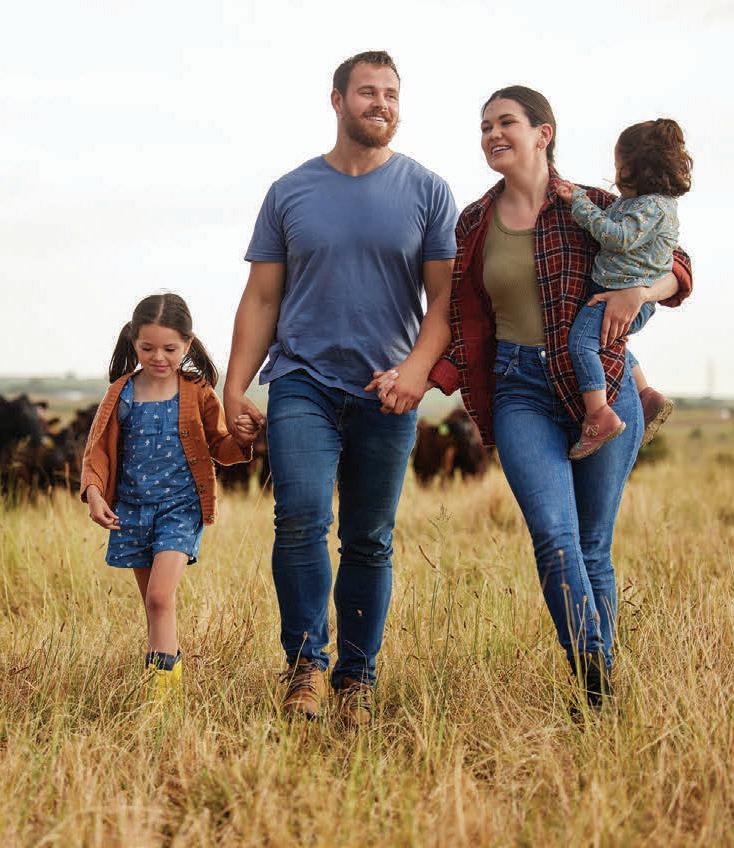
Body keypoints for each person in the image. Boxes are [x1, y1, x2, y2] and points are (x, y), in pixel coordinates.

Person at [379, 86, 692, 708]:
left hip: (601, 387)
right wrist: (419, 375)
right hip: (519, 389)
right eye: (485, 126)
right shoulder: (473, 223)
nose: (493, 134)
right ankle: (594, 672)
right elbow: (459, 319)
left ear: (543, 133)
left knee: (593, 546)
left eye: (506, 122)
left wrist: (641, 292)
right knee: (554, 537)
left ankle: (597, 701)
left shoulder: (596, 207)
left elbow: (678, 267)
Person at [224, 50, 457, 726]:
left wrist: (415, 372)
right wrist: (235, 388)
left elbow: (444, 302)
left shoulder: (428, 190)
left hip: (388, 390)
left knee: (369, 538)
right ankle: (304, 667)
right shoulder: (290, 191)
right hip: (303, 380)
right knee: (299, 516)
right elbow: (261, 298)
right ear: (337, 100)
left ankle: (357, 679)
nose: (380, 103)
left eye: (391, 93)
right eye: (367, 92)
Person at [80, 294, 251, 698]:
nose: (159, 357)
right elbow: (97, 451)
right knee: (155, 606)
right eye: (148, 348)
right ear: (133, 342)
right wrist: (94, 492)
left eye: (170, 349)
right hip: (132, 510)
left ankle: (161, 698)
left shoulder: (197, 391)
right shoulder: (120, 393)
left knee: (159, 598)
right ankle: (164, 681)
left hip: (180, 508)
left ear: (187, 344)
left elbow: (220, 446)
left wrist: (242, 439)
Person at [554, 118, 692, 459]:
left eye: (619, 168)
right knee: (607, 343)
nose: (615, 176)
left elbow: (618, 237)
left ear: (639, 169)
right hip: (617, 292)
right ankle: (646, 394)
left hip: (621, 296)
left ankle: (598, 415)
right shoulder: (638, 203)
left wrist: (581, 204)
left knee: (581, 344)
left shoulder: (651, 207)